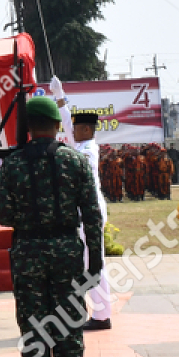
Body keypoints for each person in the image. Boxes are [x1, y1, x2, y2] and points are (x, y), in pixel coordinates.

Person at [0, 98, 102, 357]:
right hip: (68, 254)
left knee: (35, 336)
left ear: (28, 127)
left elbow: (3, 216)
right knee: (69, 334)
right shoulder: (75, 160)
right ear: (58, 125)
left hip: (28, 255)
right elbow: (92, 214)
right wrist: (95, 260)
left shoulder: (13, 165)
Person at [65, 111, 114, 331]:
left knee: (94, 264)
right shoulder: (82, 147)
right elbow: (67, 127)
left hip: (90, 213)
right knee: (89, 263)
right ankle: (100, 312)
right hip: (87, 212)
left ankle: (102, 315)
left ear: (86, 129)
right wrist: (61, 102)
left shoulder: (88, 151)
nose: (71, 132)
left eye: (76, 128)